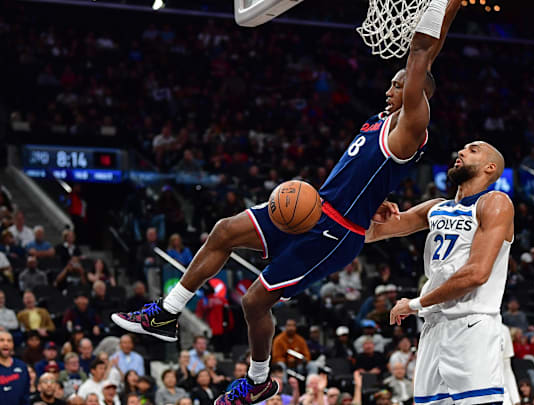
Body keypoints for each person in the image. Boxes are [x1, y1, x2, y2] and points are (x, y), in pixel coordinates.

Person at [113, 0, 457, 402]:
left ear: (419, 95)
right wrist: (449, 10)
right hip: (317, 208)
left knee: (254, 301)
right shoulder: (384, 120)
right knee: (223, 231)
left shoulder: (411, 126)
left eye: (398, 85)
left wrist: (439, 3)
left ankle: (258, 379)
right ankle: (167, 313)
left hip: (335, 232)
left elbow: (420, 54)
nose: (390, 88)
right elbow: (427, 58)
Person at [368, 133, 513, 405]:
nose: (461, 151)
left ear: (490, 167)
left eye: (472, 150)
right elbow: (371, 233)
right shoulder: (436, 208)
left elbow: (477, 274)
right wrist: (369, 211)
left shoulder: (494, 203)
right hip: (434, 326)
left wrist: (414, 304)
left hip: (472, 324)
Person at [1, 330, 31, 405]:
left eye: (9, 341)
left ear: (13, 344)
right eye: (1, 340)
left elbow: (25, 395)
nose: (6, 343)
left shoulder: (22, 366)